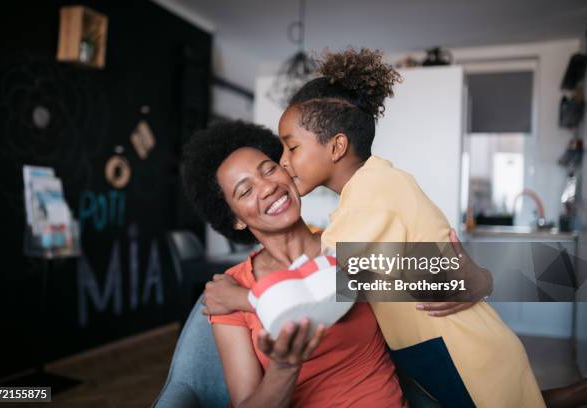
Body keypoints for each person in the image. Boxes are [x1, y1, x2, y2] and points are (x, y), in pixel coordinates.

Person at [203, 49, 548, 407]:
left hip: (463, 354)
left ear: (336, 146)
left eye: (289, 149)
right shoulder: (368, 195)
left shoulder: (367, 200)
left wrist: (242, 298)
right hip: (445, 353)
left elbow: (322, 288)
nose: (284, 164)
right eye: (245, 189)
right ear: (234, 216)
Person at [181, 121, 407, 407]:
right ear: (235, 219)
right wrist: (284, 368)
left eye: (269, 169)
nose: (267, 188)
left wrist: (250, 299)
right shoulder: (230, 288)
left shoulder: (343, 240)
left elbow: (449, 280)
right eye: (245, 191)